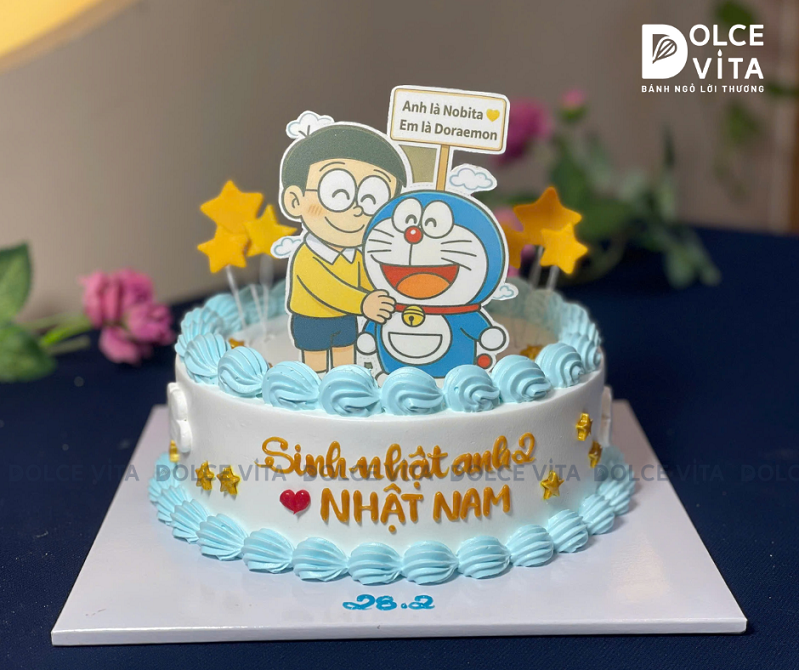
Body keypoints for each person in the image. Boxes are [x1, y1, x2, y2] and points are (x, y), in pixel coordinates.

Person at [280, 122, 406, 373]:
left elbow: (367, 280)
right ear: (295, 200)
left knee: (346, 363)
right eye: (338, 194)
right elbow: (325, 288)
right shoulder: (306, 257)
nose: (357, 210)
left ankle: (347, 386)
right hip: (312, 320)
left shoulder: (355, 256)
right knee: (316, 369)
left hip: (346, 318)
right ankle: (315, 387)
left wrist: (386, 294)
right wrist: (364, 303)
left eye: (372, 199)